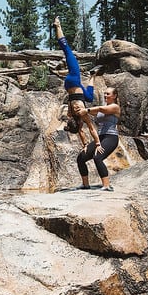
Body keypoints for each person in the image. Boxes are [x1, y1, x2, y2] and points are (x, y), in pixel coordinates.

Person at [53, 16, 102, 153]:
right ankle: (93, 76)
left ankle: (58, 26)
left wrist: (97, 143)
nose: (81, 126)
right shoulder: (71, 115)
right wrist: (85, 144)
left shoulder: (82, 114)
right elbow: (80, 131)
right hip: (70, 87)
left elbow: (91, 128)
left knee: (67, 50)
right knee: (90, 98)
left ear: (78, 123)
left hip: (74, 80)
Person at [73, 87, 121, 191]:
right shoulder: (101, 109)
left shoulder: (115, 107)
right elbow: (91, 112)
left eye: (108, 94)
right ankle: (85, 185)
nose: (105, 96)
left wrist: (87, 110)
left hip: (111, 137)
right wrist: (80, 110)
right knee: (81, 158)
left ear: (114, 96)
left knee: (97, 157)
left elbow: (100, 109)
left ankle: (106, 185)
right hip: (100, 138)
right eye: (105, 93)